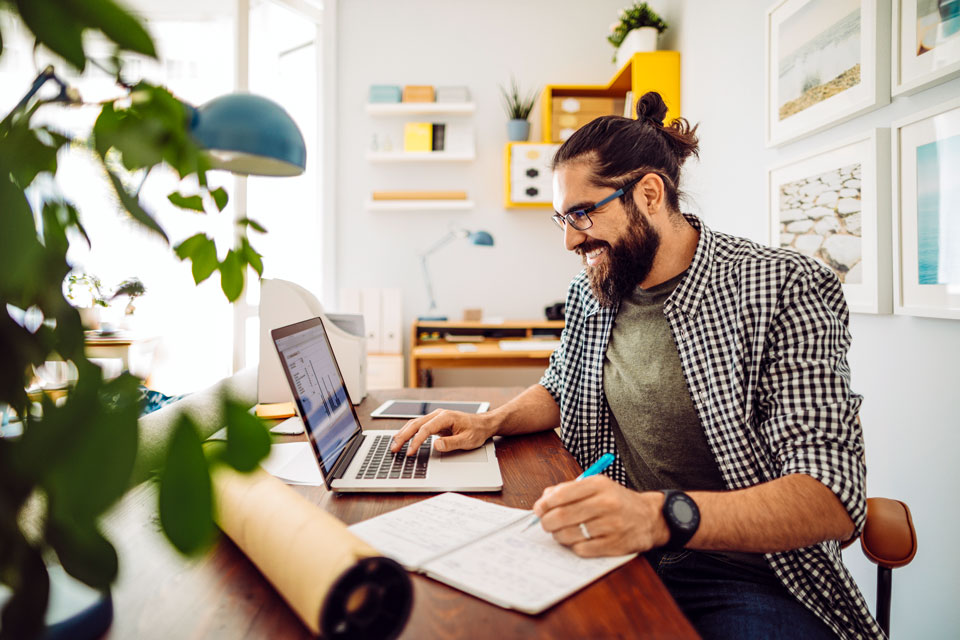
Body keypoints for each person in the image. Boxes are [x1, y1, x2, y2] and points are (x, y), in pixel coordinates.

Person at [390, 92, 881, 640]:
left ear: (649, 193)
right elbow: (562, 386)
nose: (572, 239)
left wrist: (655, 517)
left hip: (747, 575)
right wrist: (490, 422)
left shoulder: (783, 286)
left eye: (582, 214)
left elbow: (831, 495)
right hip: (619, 555)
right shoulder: (599, 289)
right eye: (562, 219)